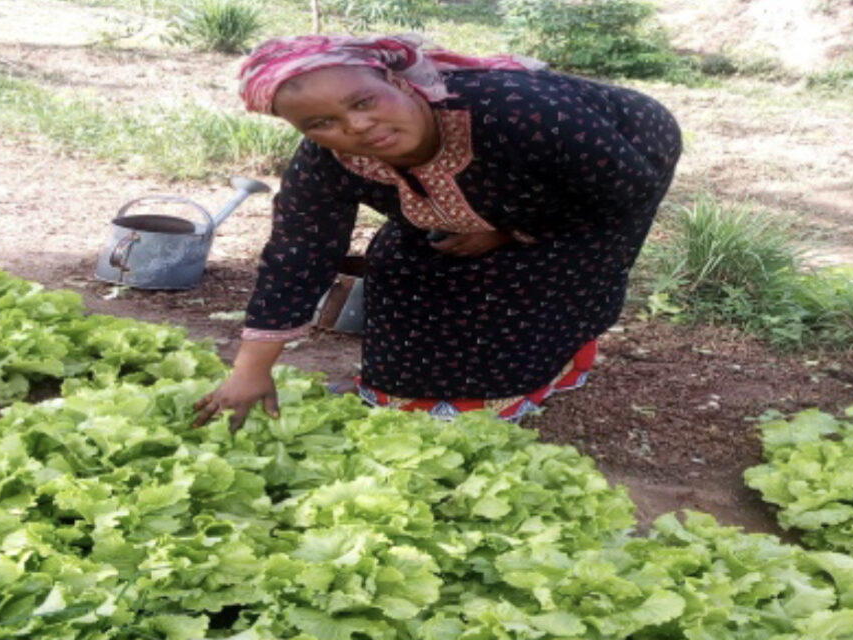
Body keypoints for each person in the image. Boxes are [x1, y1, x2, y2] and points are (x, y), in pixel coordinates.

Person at [193, 34, 681, 429]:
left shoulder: (520, 114)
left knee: (535, 276)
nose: (357, 126)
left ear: (401, 84)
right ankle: (393, 389)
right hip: (515, 179)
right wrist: (251, 369)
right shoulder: (327, 161)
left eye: (364, 100)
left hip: (614, 163)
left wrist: (509, 233)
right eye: (322, 123)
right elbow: (298, 254)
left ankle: (534, 378)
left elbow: (622, 195)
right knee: (404, 262)